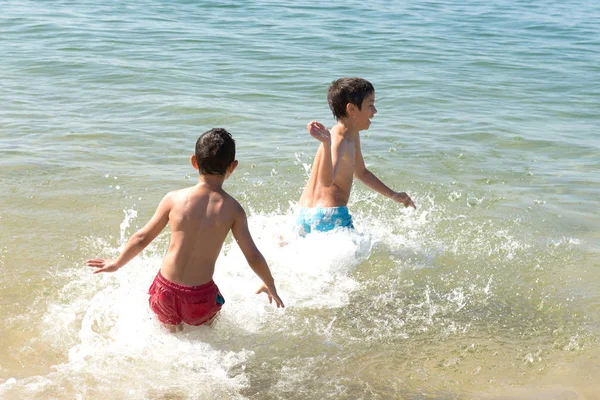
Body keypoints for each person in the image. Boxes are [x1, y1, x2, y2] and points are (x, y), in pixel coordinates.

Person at [87, 128, 284, 332]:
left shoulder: (173, 199)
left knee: (170, 337)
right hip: (200, 296)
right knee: (206, 337)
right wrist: (269, 283)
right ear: (232, 167)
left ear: (194, 162)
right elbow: (252, 256)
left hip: (165, 289)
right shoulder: (233, 209)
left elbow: (142, 237)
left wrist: (117, 263)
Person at [296, 77, 416, 235]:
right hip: (330, 215)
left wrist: (393, 195)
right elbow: (326, 181)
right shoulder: (338, 139)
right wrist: (326, 144)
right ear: (351, 109)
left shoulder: (351, 134)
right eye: (370, 105)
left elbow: (361, 172)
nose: (375, 111)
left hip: (303, 213)